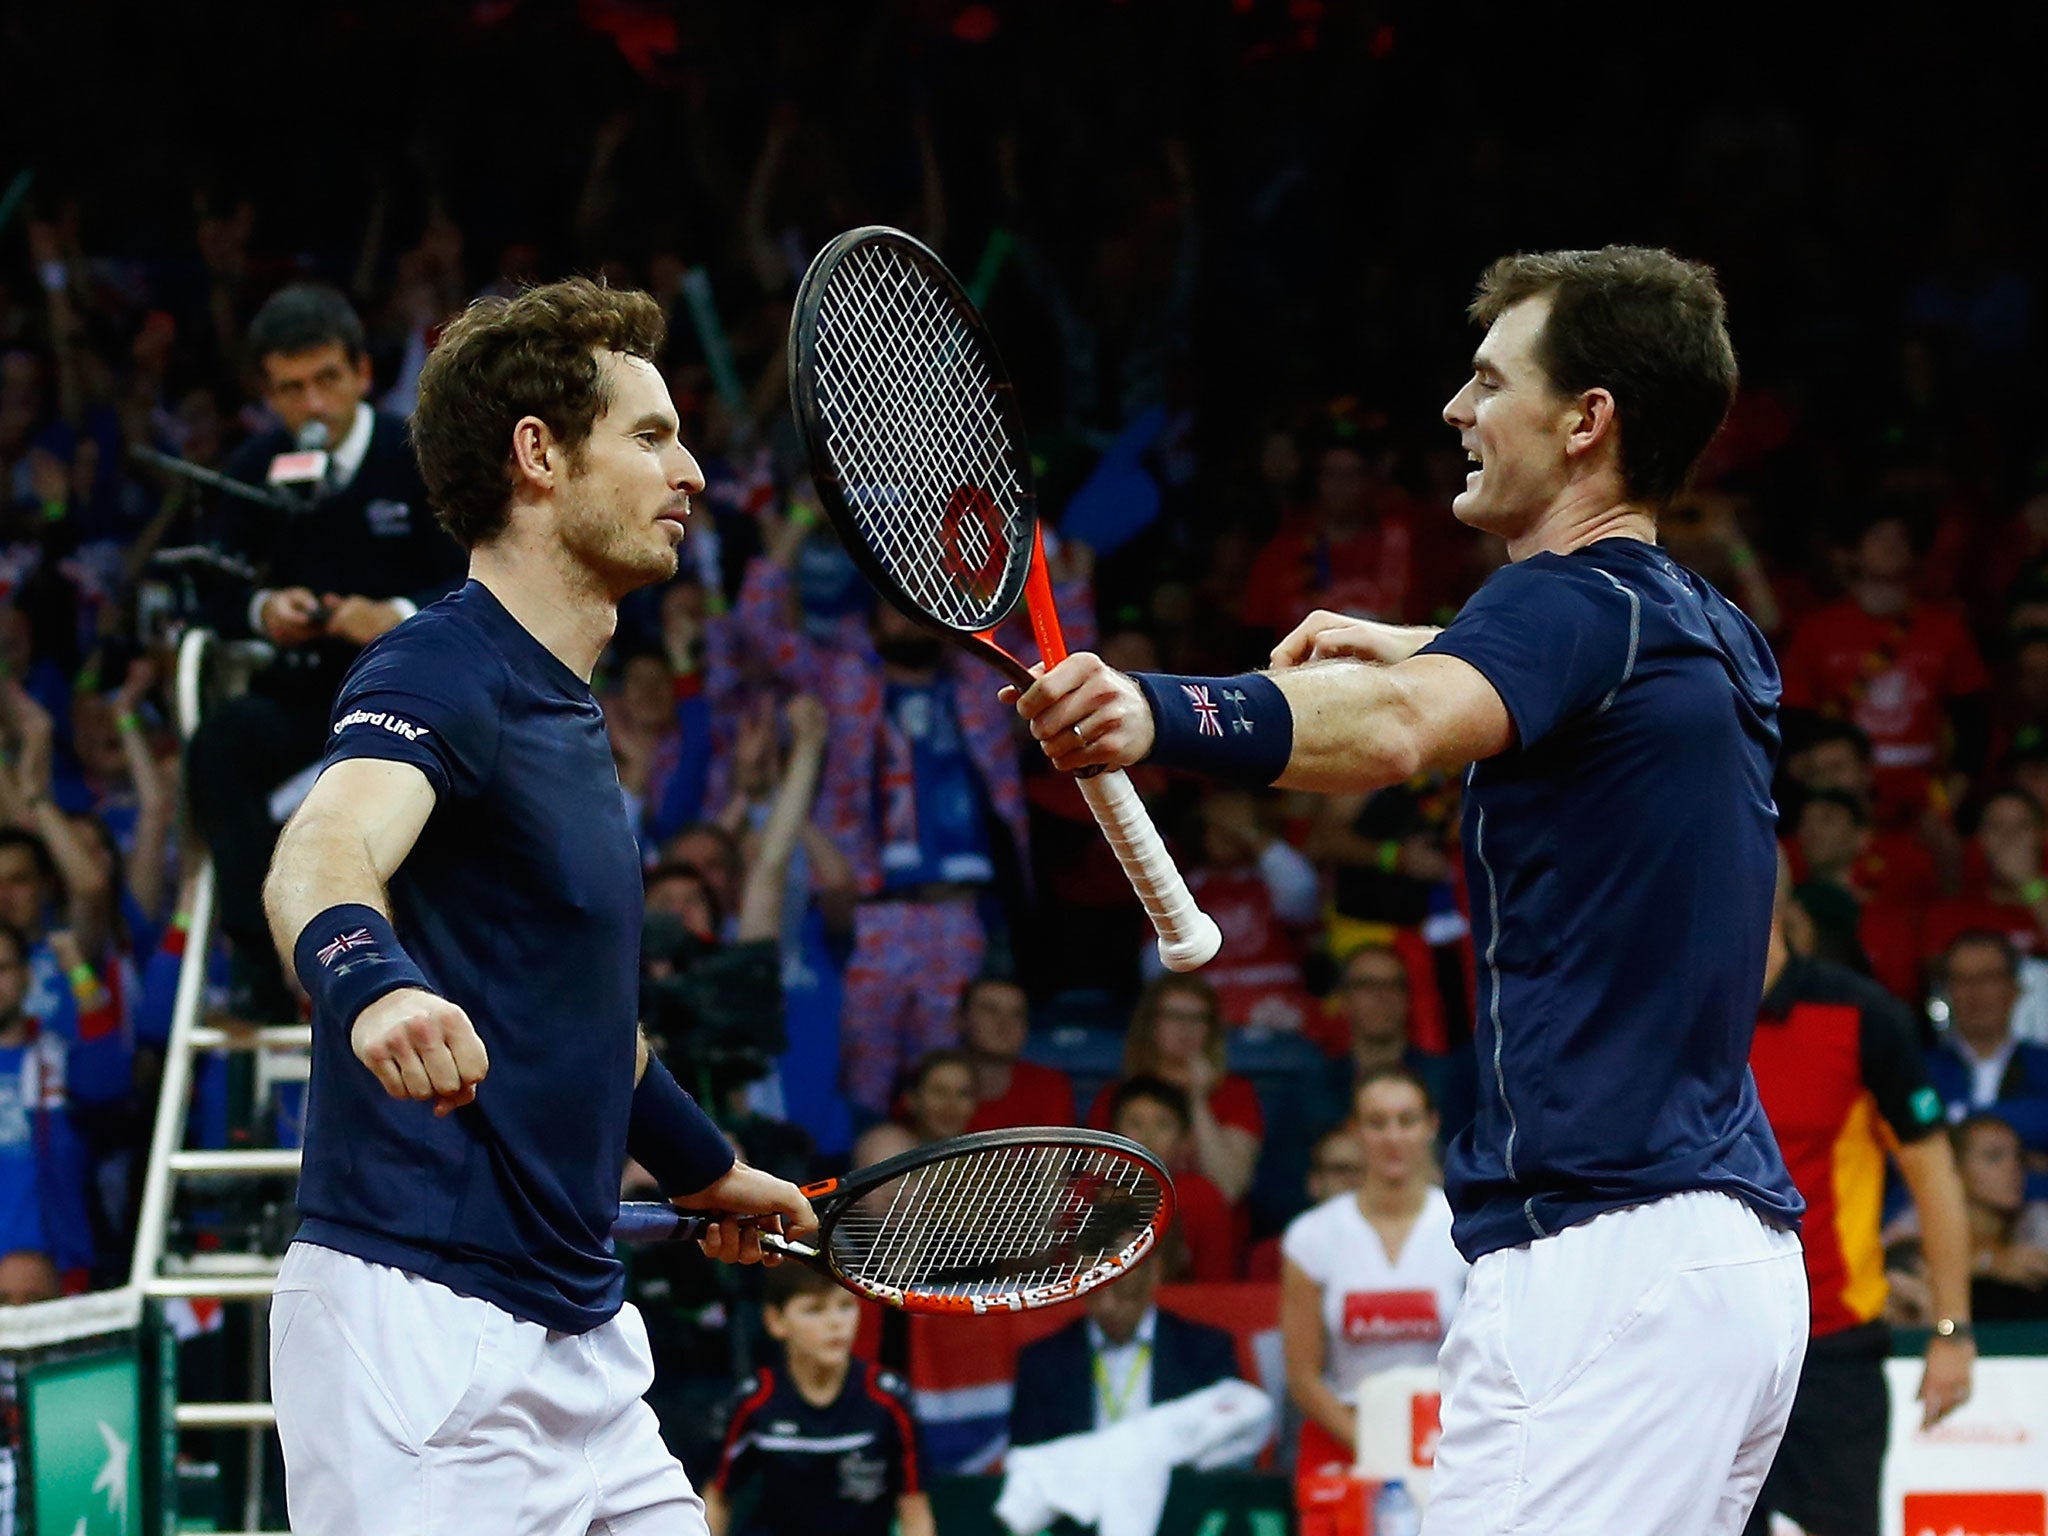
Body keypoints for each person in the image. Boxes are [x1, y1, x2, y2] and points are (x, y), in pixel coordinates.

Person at [1011, 246, 1809, 1534]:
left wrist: (1146, 710)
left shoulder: (1561, 602)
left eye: (1489, 381)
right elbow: (1551, 695)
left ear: (1584, 419)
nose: (1455, 409)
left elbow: (1391, 731)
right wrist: (1433, 640)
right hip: (1720, 1263)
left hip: (1601, 1267)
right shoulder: (1703, 627)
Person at [260, 278, 816, 1536]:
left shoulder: (562, 709)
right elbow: (321, 851)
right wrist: (374, 980)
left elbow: (572, 1015)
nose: (692, 476)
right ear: (538, 456)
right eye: (650, 435)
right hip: (417, 1332)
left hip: (581, 1344)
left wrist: (704, 1166)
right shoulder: (439, 666)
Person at [189, 282, 465, 1019]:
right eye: (290, 389)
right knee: (219, 746)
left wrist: (396, 615)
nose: (310, 405)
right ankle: (259, 967)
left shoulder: (415, 457)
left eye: (325, 381)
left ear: (361, 376)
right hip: (304, 688)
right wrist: (262, 608)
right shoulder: (256, 466)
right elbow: (210, 583)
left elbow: (476, 573)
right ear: (268, 393)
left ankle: (430, 973)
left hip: (404, 693)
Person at [1746, 860, 1974, 1536]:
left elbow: (1935, 1176)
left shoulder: (1859, 1015)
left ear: (1779, 908)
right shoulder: (1668, 1020)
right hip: (1707, 1349)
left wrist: (1952, 1331)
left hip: (1833, 1347)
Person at [1281, 1068, 1467, 1473]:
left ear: (1431, 1126)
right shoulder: (1311, 1236)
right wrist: (1379, 1449)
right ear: (1355, 1132)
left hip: (1451, 1438)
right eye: (1377, 1123)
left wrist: (1433, 1444)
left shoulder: (1468, 1227)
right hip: (1346, 1435)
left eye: (1407, 1120)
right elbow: (1302, 1375)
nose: (1393, 1137)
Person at [709, 1262, 933, 1536]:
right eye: (814, 1309)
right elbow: (717, 1497)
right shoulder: (754, 1400)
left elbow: (914, 1509)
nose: (836, 1322)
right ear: (775, 1321)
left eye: (845, 1306)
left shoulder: (890, 1399)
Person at [1008, 1243, 1241, 1448]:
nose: (1107, 1305)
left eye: (1123, 1288)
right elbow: (1027, 1462)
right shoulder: (1042, 1363)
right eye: (1093, 1289)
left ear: (1153, 1272)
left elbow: (1227, 1453)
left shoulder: (1206, 1353)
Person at [1087, 976, 1264, 1206]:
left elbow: (1229, 1188)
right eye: (1173, 1017)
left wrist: (1198, 1100)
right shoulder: (1117, 1094)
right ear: (1150, 1024)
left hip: (1208, 1222)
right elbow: (1095, 1183)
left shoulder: (1235, 1092)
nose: (1185, 1028)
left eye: (1197, 1018)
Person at [1924, 930, 2048, 1156]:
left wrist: (1957, 1118)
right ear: (1948, 992)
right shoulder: (1922, 1070)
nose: (1976, 992)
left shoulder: (2042, 1065)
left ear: (2014, 989)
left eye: (1989, 977)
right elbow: (1913, 1133)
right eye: (1962, 980)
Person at [1108, 1077, 1239, 1281]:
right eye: (1135, 1123)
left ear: (1185, 1141)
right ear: (1113, 1134)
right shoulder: (1089, 1193)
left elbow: (1216, 1286)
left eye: (1163, 1125)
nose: (1147, 1136)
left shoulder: (1204, 1198)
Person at [957, 977, 1077, 1132]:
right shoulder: (936, 1084)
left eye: (1016, 1014)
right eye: (990, 1010)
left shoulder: (1049, 1087)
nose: (1004, 1023)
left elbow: (1055, 1154)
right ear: (961, 1019)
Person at [850, 1048, 977, 1168]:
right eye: (939, 1092)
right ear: (912, 1100)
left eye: (963, 1094)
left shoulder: (979, 1169)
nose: (951, 1105)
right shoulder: (885, 1150)